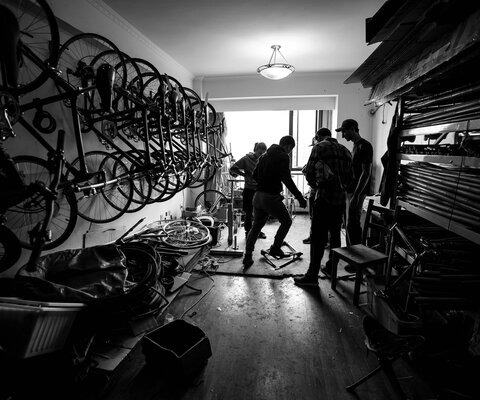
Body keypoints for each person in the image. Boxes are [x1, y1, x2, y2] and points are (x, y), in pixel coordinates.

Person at [294, 128, 353, 286]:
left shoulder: (319, 147)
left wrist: (317, 187)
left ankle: (312, 276)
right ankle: (331, 268)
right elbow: (351, 177)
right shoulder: (346, 151)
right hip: (340, 200)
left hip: (324, 198)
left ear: (318, 137)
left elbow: (309, 173)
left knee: (318, 237)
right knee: (335, 234)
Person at [242, 136, 307, 268]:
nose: (289, 153)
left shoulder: (264, 156)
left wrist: (266, 180)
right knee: (287, 221)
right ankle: (275, 248)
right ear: (288, 146)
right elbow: (287, 179)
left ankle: (247, 257)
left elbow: (254, 175)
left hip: (258, 196)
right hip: (270, 197)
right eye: (290, 150)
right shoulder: (283, 156)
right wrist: (300, 197)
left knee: (255, 228)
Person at [229, 142, 268, 239]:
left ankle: (257, 231)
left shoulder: (264, 159)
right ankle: (248, 232)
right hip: (249, 190)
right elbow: (233, 168)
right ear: (255, 150)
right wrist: (244, 175)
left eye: (263, 154)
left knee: (260, 213)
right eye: (259, 153)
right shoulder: (246, 159)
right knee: (249, 213)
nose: (261, 156)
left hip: (260, 190)